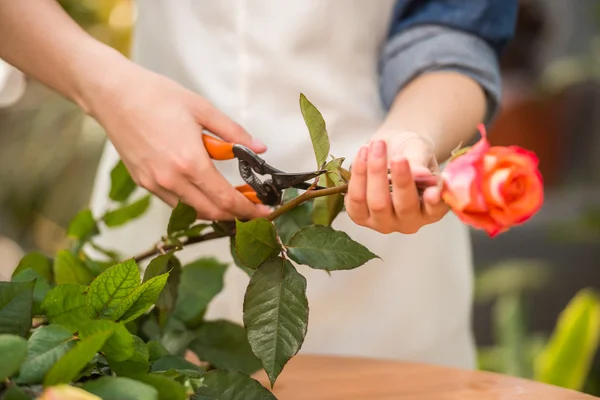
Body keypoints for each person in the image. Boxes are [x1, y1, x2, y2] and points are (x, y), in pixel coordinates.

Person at [0, 1, 517, 369]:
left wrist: (413, 136)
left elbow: (459, 24)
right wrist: (107, 88)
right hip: (155, 203)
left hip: (384, 244)